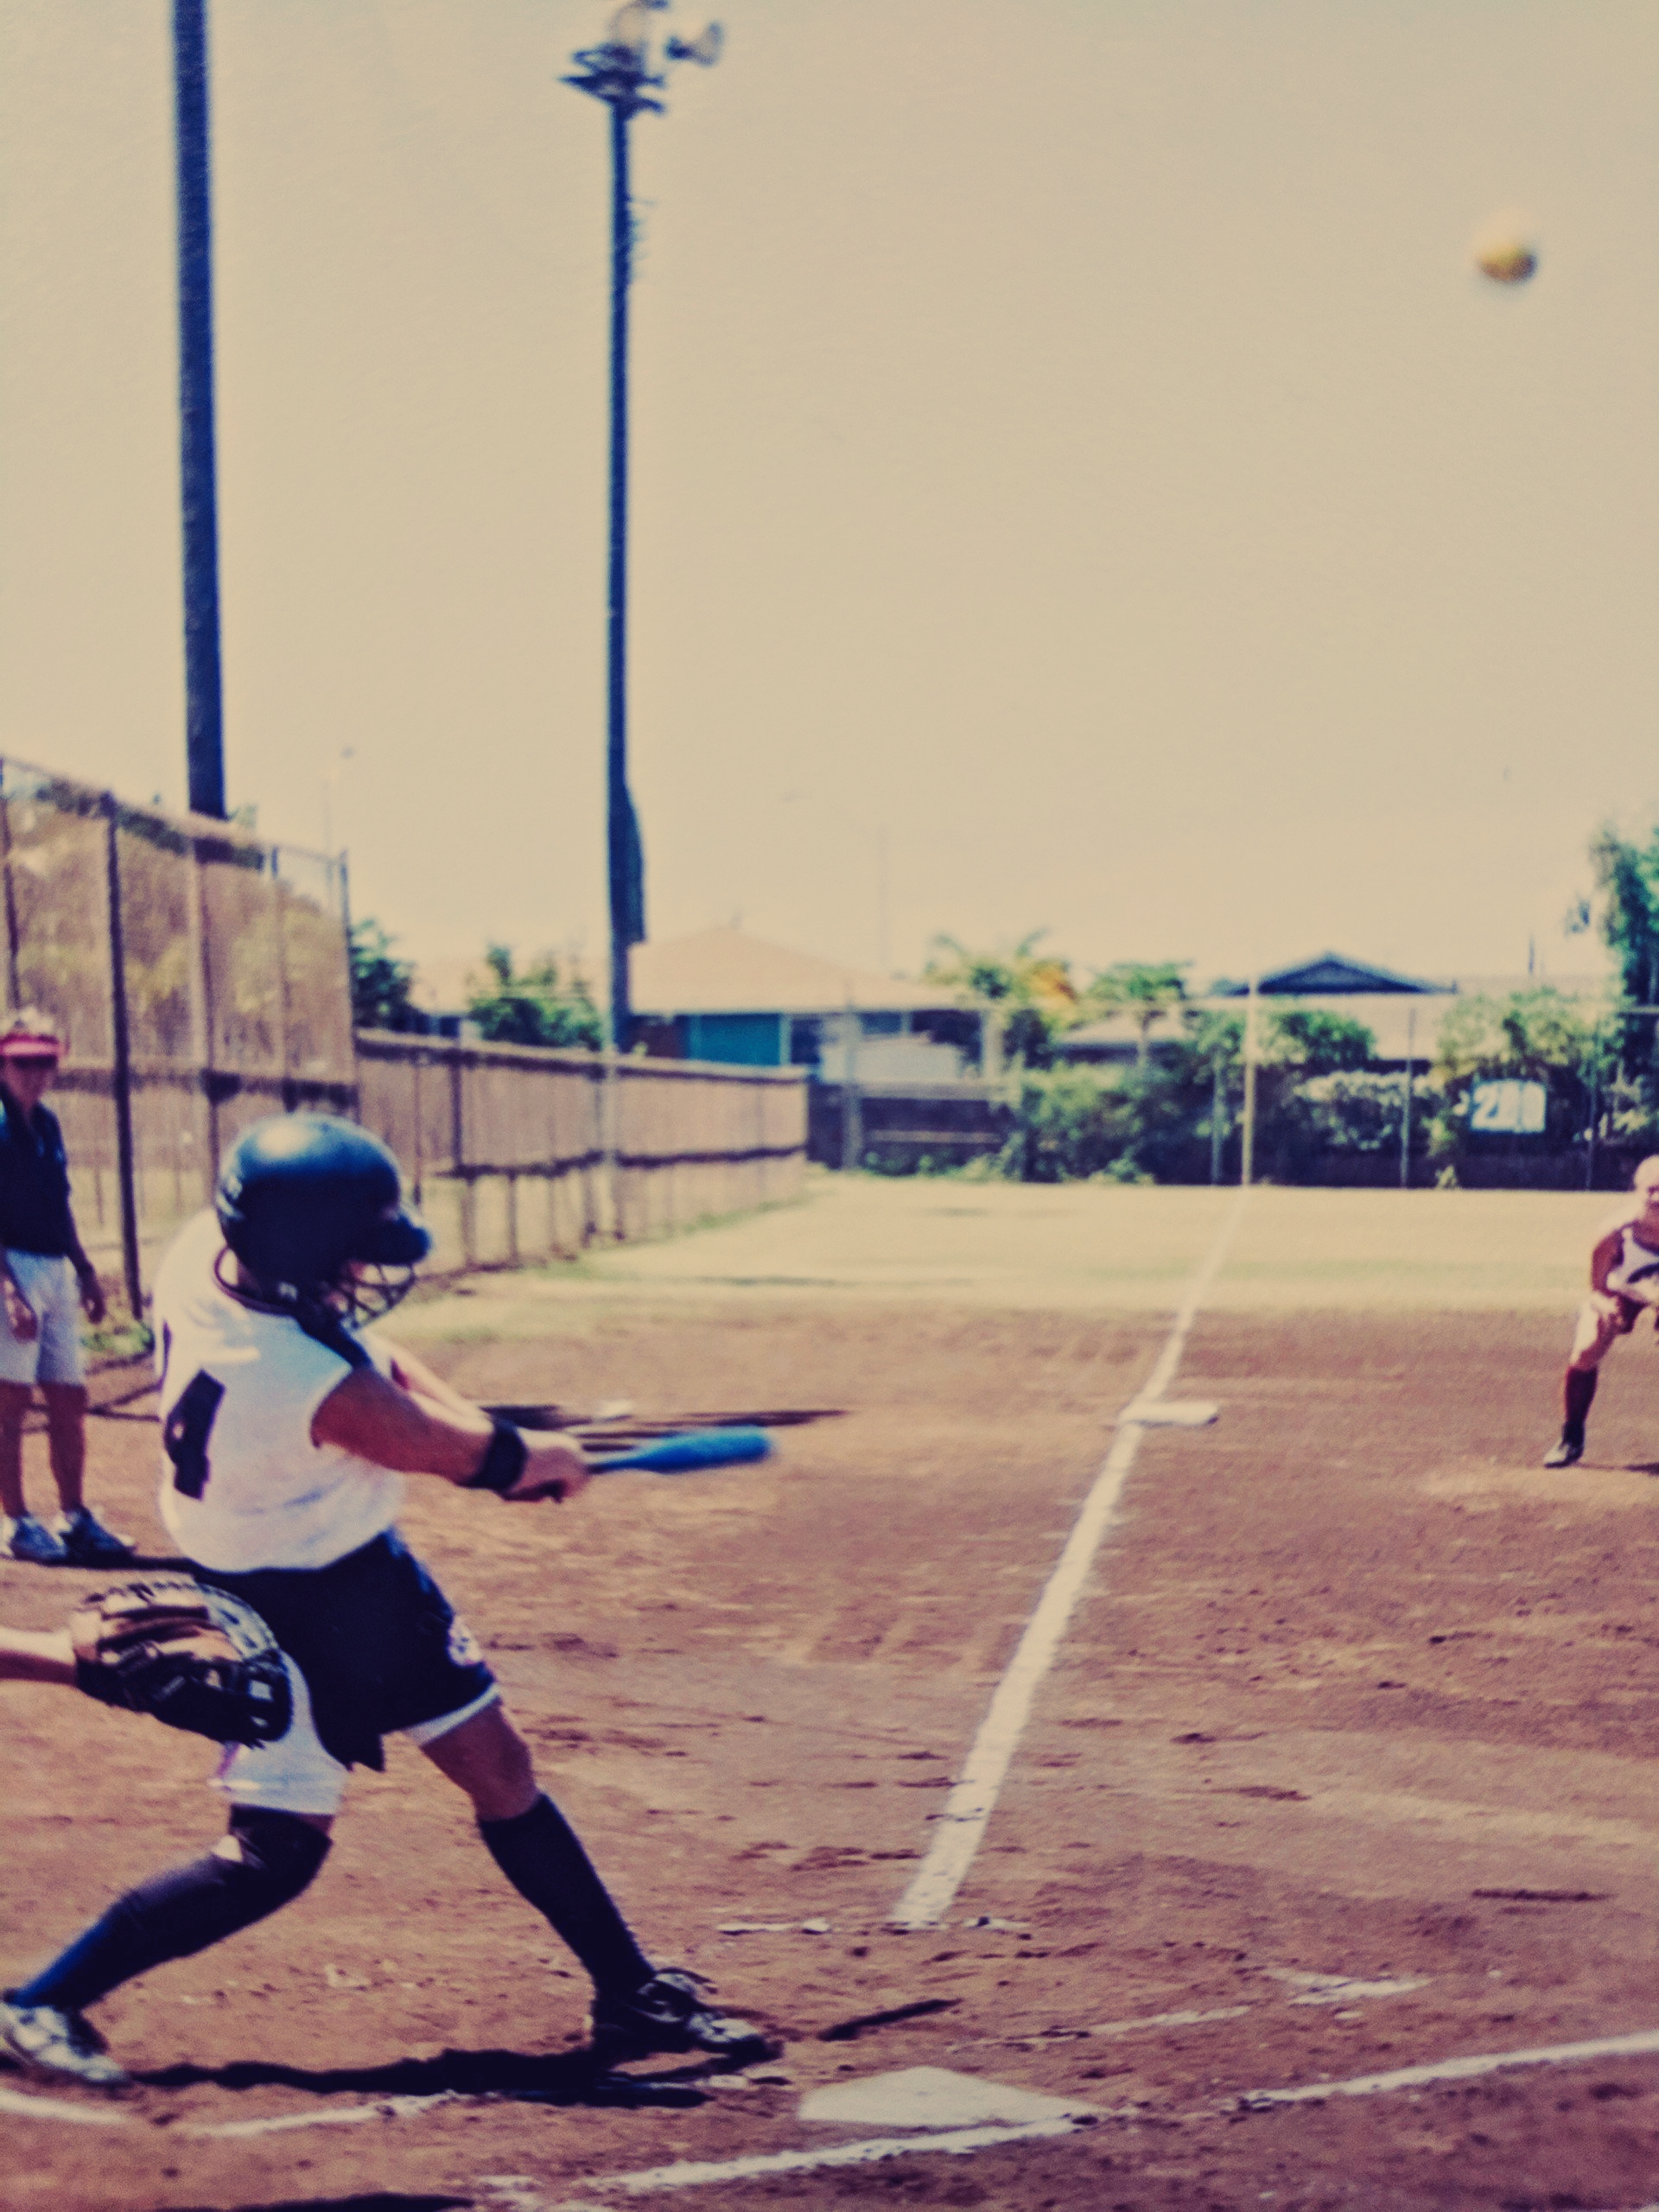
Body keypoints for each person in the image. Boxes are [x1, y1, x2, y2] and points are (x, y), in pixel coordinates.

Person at [0, 1113, 772, 2090]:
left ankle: (626, 1987)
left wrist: (499, 1442)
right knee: (276, 1852)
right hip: (282, 1604)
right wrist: (528, 1459)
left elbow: (382, 1360)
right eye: (354, 1256)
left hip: (356, 1571)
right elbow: (448, 1449)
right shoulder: (292, 1380)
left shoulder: (215, 1251)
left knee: (498, 1766)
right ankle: (39, 2001)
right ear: (303, 1257)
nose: (367, 1273)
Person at [0, 1009, 132, 1567]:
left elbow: (60, 1203)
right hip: (13, 1268)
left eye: (46, 1062)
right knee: (10, 1402)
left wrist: (84, 1268)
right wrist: (8, 1289)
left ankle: (74, 1515)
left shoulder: (47, 1124)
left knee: (69, 1397)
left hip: (53, 1267)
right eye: (24, 1062)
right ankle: (15, 1522)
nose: (36, 1073)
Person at [1543, 1154, 1659, 1467]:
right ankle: (1571, 1438)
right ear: (1637, 1191)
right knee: (1585, 1350)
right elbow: (1595, 1289)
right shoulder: (1615, 1233)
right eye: (1652, 1189)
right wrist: (1609, 1309)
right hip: (1618, 1290)